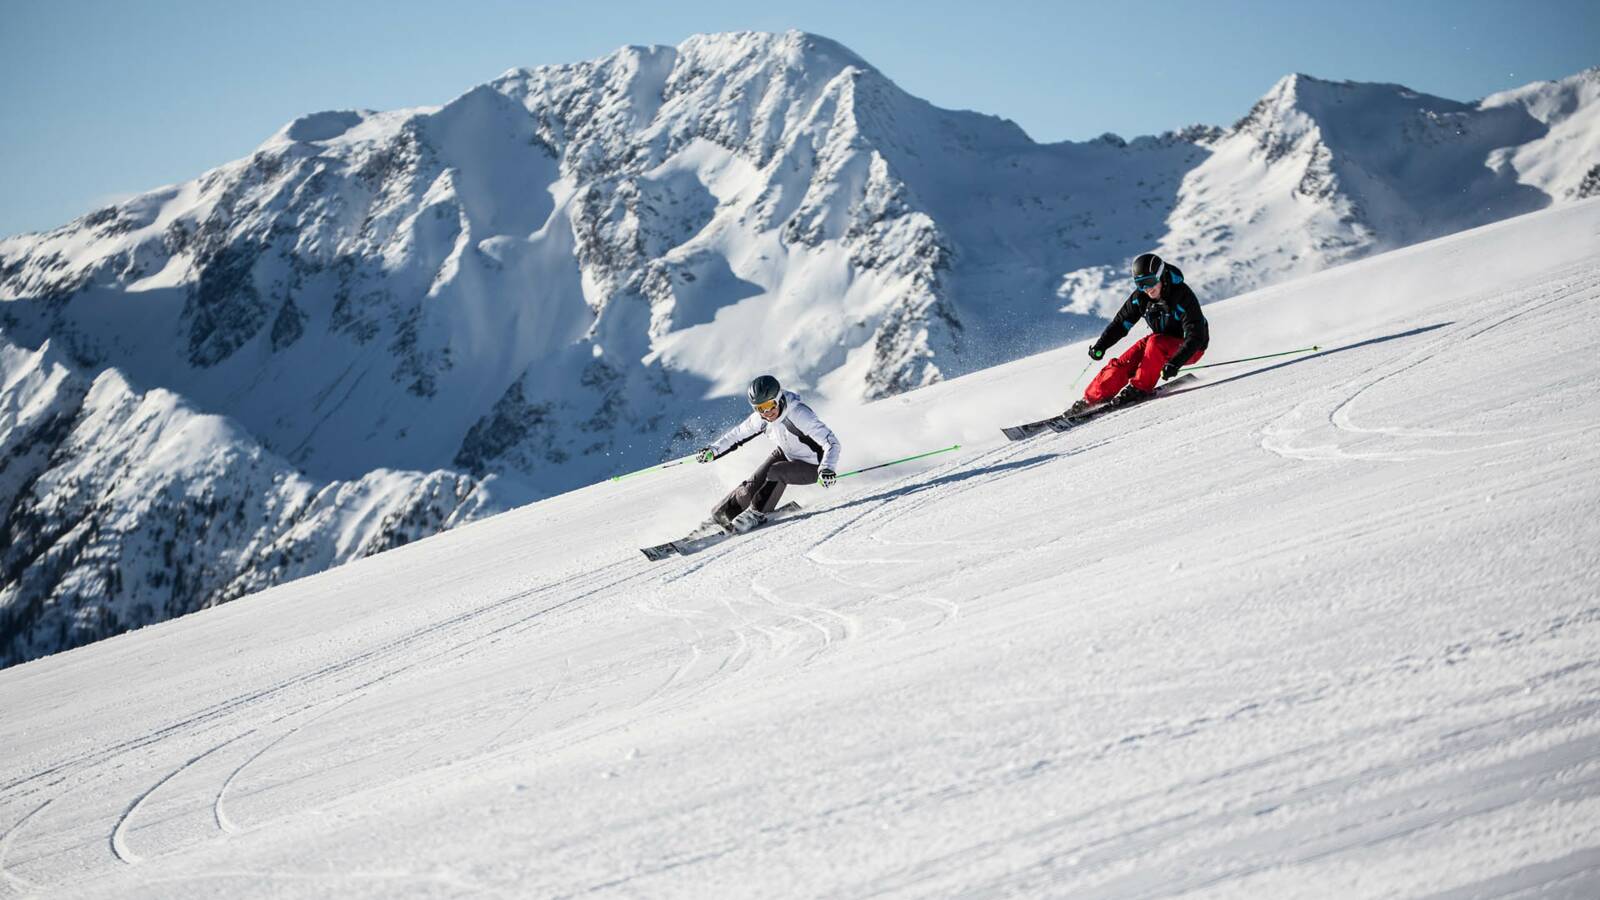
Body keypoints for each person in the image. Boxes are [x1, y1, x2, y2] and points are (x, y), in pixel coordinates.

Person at [1065, 252, 1209, 417]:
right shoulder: (1140, 298)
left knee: (1155, 343)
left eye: (1150, 281)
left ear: (1160, 275)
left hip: (1191, 347)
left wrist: (1175, 363)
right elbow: (1121, 324)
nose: (1147, 288)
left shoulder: (1182, 296)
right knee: (1124, 362)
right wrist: (1101, 346)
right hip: (1160, 341)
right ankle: (1091, 399)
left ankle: (1139, 388)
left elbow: (1195, 335)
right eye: (1141, 284)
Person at [697, 375, 842, 534]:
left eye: (770, 405)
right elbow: (736, 435)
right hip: (787, 453)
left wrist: (827, 468)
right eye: (760, 408)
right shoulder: (761, 419)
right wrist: (713, 450)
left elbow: (832, 442)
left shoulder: (799, 414)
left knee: (777, 471)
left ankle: (756, 514)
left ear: (779, 399)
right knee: (748, 489)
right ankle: (720, 518)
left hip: (814, 466)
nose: (767, 412)